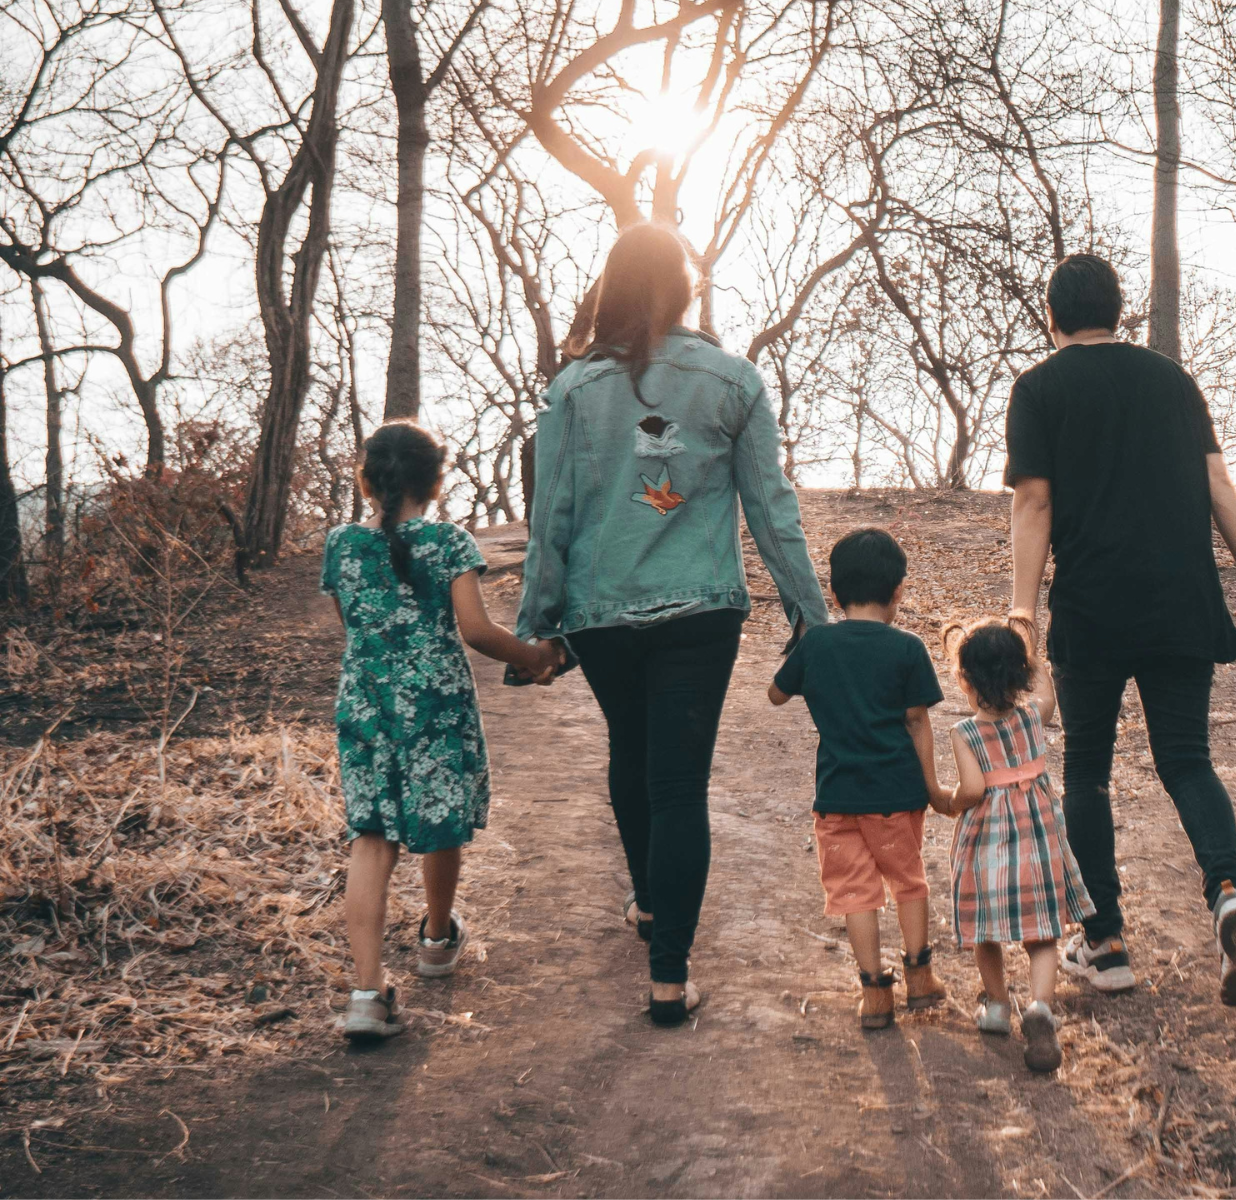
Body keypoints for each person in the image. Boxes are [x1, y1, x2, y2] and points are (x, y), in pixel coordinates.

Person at [517, 222, 830, 1027]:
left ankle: (653, 905)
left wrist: (539, 623)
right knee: (679, 779)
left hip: (601, 610)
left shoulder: (573, 389)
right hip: (700, 611)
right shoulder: (732, 380)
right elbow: (773, 508)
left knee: (632, 749)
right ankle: (667, 974)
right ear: (685, 289)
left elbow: (551, 511)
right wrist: (808, 611)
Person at [1004, 252, 1236, 1008]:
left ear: (1051, 316)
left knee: (1087, 770)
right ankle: (1227, 892)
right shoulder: (1173, 381)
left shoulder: (1037, 389)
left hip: (1093, 607)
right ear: (1118, 313)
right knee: (1188, 761)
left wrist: (1023, 612)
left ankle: (1108, 945)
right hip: (1183, 601)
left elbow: (1033, 505)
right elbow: (1219, 486)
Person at [323, 422, 563, 1041]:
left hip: (366, 703)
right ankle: (435, 938)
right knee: (441, 819)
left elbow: (355, 623)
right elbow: (477, 631)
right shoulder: (449, 541)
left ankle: (366, 994)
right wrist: (535, 657)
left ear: (367, 478)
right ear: (435, 480)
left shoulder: (342, 545)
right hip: (434, 705)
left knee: (371, 836)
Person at [769, 528, 945, 1030]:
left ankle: (874, 995)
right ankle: (921, 979)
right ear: (898, 592)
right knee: (908, 881)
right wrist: (932, 785)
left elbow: (775, 696)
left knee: (854, 893)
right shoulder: (908, 648)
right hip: (896, 794)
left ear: (834, 593)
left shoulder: (818, 644)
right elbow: (917, 720)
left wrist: (805, 652)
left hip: (837, 797)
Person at [931, 618, 1094, 1074]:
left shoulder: (964, 733)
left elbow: (973, 789)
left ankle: (998, 1007)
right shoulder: (1032, 716)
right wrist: (1034, 654)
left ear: (964, 680)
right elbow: (1048, 694)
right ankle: (1040, 1007)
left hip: (987, 841)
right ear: (1021, 674)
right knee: (1042, 932)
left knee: (985, 927)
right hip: (1037, 837)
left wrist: (947, 801)